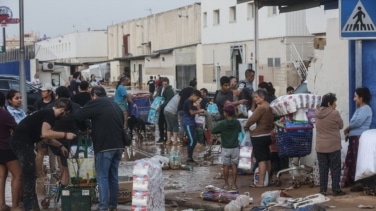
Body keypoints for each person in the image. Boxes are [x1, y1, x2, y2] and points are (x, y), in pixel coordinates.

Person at [10, 98, 76, 211]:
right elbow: (46, 133)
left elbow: (45, 138)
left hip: (19, 142)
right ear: (62, 110)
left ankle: (30, 205)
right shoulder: (49, 114)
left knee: (26, 175)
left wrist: (60, 145)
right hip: (22, 144)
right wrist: (65, 135)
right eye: (66, 113)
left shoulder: (45, 114)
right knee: (29, 176)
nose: (65, 116)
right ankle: (29, 206)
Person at [74, 86, 124, 211]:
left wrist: (85, 129)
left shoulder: (96, 103)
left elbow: (78, 115)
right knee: (113, 176)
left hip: (104, 146)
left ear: (94, 95)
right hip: (119, 145)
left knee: (102, 176)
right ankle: (113, 205)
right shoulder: (114, 104)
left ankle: (103, 207)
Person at [46, 86, 85, 188]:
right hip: (73, 138)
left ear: (57, 95)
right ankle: (70, 184)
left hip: (54, 138)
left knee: (63, 161)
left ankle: (64, 184)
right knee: (72, 161)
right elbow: (83, 122)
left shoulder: (50, 107)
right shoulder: (76, 106)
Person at [315, 93, 346, 196]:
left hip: (320, 146)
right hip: (333, 146)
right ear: (329, 103)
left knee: (323, 168)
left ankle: (323, 190)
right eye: (334, 102)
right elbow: (341, 125)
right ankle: (336, 189)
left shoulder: (317, 113)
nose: (335, 105)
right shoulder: (335, 113)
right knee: (335, 168)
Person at [343, 87, 372, 192]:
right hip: (353, 137)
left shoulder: (366, 109)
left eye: (356, 96)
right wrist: (349, 133)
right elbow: (354, 122)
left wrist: (347, 129)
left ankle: (359, 183)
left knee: (356, 159)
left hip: (359, 137)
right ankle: (352, 181)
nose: (354, 99)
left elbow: (358, 122)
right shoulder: (359, 109)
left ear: (361, 97)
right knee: (350, 159)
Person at [244, 89, 274, 187]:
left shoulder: (261, 108)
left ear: (263, 97)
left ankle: (261, 182)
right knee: (267, 158)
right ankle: (268, 179)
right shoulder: (268, 106)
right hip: (267, 135)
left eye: (257, 97)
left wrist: (246, 126)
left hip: (258, 136)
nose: (255, 99)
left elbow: (252, 119)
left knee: (261, 159)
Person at [0, 93, 22, 211]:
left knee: (1, 177)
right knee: (17, 175)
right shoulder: (4, 114)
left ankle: (2, 204)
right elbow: (17, 128)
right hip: (6, 148)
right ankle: (15, 205)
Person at [211, 104, 241, 190]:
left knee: (226, 166)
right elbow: (239, 130)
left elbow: (213, 131)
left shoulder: (222, 123)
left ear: (226, 113)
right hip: (235, 147)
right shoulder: (236, 122)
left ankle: (226, 184)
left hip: (225, 147)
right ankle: (234, 185)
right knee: (234, 165)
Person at [183, 90, 205, 163]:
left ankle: (190, 157)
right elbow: (192, 113)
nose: (197, 100)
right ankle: (189, 157)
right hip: (188, 123)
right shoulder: (188, 102)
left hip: (192, 123)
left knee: (194, 140)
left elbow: (198, 112)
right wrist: (199, 111)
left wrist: (198, 107)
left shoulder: (191, 103)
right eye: (197, 98)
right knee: (192, 140)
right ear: (193, 95)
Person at [177, 79, 197, 144]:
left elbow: (179, 98)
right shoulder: (193, 91)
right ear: (195, 85)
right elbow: (193, 101)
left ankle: (181, 139)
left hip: (180, 108)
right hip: (187, 109)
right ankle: (189, 139)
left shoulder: (183, 89)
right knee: (188, 124)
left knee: (182, 125)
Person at [156, 77, 175, 144]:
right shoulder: (160, 88)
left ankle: (167, 138)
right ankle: (161, 137)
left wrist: (161, 106)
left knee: (167, 123)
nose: (165, 86)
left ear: (168, 84)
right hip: (161, 109)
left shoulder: (170, 90)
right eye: (164, 84)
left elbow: (168, 100)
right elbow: (158, 96)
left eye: (166, 84)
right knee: (160, 123)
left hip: (167, 109)